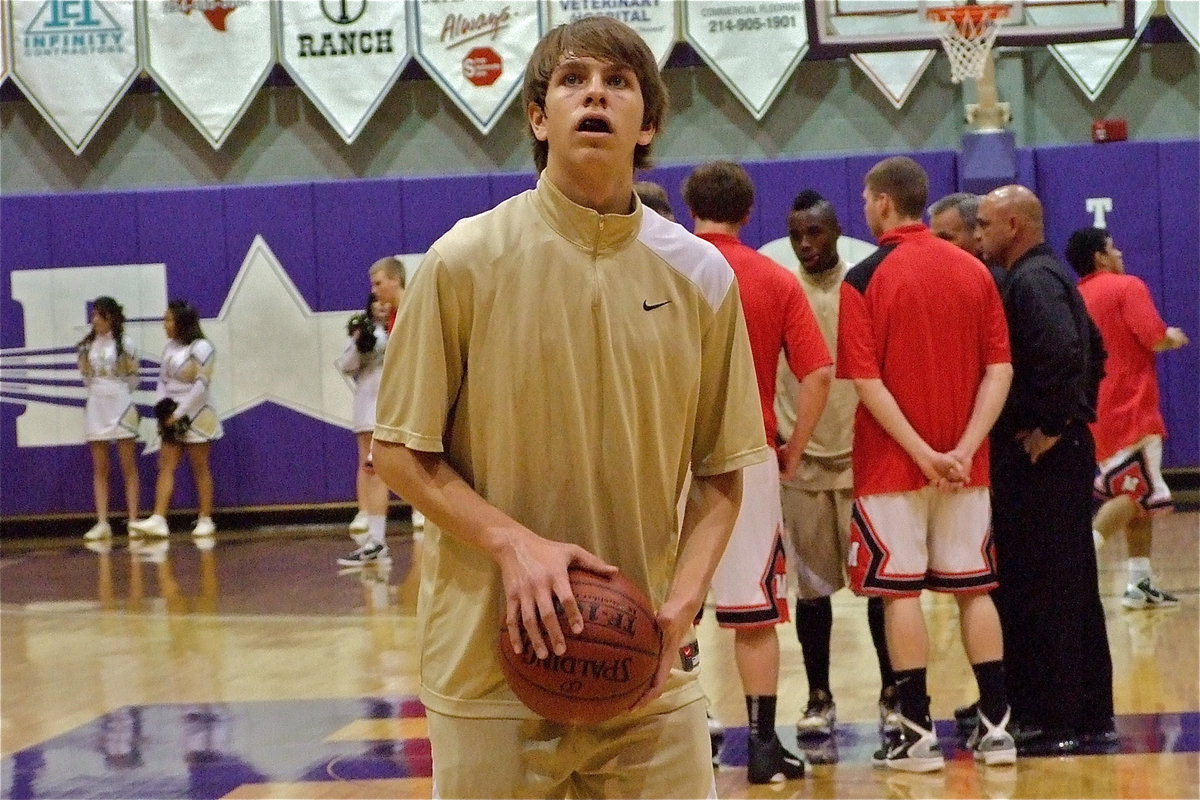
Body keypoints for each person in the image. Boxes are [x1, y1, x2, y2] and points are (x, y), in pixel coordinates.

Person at [370, 17, 768, 799]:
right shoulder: (463, 261)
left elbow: (723, 470)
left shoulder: (702, 279)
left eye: (618, 83)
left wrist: (679, 610)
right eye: (572, 79)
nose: (595, 93)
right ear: (537, 116)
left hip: (645, 669)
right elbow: (398, 452)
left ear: (646, 123)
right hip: (490, 673)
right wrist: (514, 545)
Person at [838, 156, 1015, 773]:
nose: (864, 208)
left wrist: (921, 452)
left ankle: (916, 735)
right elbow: (1001, 370)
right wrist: (963, 449)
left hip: (891, 466)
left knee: (900, 594)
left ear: (884, 203)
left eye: (866, 199)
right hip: (968, 468)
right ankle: (997, 728)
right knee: (975, 590)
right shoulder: (976, 272)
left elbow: (865, 379)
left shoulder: (862, 278)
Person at [683, 160, 833, 784]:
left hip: (669, 460)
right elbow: (819, 373)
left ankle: (689, 738)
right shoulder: (774, 278)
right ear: (748, 214)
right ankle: (764, 747)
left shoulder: (664, 267)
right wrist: (793, 448)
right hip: (749, 458)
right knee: (755, 613)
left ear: (691, 207)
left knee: (673, 605)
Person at [975, 185, 1115, 755]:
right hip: (1060, 453)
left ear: (1013, 224)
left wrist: (1053, 425)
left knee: (1045, 590)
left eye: (984, 225)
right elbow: (1097, 352)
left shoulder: (1031, 281)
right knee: (1071, 589)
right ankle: (1087, 715)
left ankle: (1053, 720)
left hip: (1044, 459)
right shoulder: (1049, 275)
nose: (978, 235)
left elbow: (1065, 352)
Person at [778, 190, 898, 747]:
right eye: (798, 234)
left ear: (836, 229)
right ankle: (819, 696)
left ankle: (894, 693)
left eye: (816, 233)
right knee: (811, 594)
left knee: (878, 589)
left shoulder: (864, 285)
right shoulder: (781, 289)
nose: (806, 244)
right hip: (800, 467)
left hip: (863, 463)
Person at [634, 178, 727, 762]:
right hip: (672, 479)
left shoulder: (705, 278)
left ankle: (697, 701)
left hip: (693, 476)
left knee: (681, 600)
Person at [1066, 226, 1189, 608]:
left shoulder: (1075, 296)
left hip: (1095, 411)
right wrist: (1172, 335)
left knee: (1133, 494)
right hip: (1131, 408)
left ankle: (1140, 583)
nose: (1119, 253)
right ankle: (1074, 564)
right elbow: (1152, 336)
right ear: (1100, 257)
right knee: (1134, 493)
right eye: (1113, 248)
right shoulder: (1127, 286)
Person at [129, 300, 223, 539]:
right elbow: (162, 380)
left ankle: (205, 518)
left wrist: (180, 413)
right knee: (166, 465)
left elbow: (202, 385)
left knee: (199, 467)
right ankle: (159, 519)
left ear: (182, 321)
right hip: (171, 414)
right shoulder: (170, 347)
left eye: (168, 319)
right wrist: (163, 408)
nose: (164, 325)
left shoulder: (202, 347)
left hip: (198, 413)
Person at [365, 255, 424, 532]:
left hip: (419, 399)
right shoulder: (389, 317)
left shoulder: (415, 308)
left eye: (378, 283)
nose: (374, 291)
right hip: (402, 399)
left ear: (395, 279)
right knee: (376, 463)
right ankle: (376, 539)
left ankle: (425, 514)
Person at [77, 296, 141, 540]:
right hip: (96, 404)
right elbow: (85, 378)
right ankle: (103, 522)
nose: (93, 320)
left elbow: (134, 379)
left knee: (128, 466)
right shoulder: (85, 346)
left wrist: (118, 392)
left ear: (110, 318)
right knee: (100, 468)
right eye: (93, 315)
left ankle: (134, 520)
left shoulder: (126, 343)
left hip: (121, 403)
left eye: (98, 315)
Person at [335, 293, 393, 566]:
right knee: (370, 467)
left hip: (396, 402)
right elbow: (346, 365)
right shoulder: (365, 332)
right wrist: (360, 344)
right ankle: (374, 533)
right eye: (376, 300)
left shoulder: (404, 323)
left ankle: (417, 514)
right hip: (369, 404)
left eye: (384, 297)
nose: (381, 305)